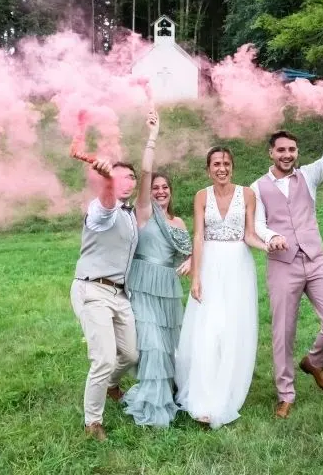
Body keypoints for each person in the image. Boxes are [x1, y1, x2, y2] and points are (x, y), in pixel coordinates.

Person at [251, 100, 323, 418]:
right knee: (283, 331)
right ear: (271, 153)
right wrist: (271, 237)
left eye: (292, 150)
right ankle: (285, 394)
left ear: (296, 152)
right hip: (283, 264)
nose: (287, 155)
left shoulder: (308, 176)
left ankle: (315, 361)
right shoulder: (257, 186)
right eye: (281, 150)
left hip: (316, 259)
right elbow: (256, 224)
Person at [174, 146, 269, 428]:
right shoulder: (201, 196)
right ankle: (203, 399)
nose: (222, 168)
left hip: (239, 267)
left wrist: (267, 247)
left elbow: (249, 235)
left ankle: (226, 392)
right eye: (216, 164)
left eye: (226, 163)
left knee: (231, 329)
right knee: (208, 329)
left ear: (233, 166)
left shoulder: (248, 195)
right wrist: (196, 277)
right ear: (208, 168)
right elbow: (199, 236)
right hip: (211, 264)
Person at [122, 111, 193, 427]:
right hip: (144, 283)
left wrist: (191, 261)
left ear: (171, 191)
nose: (160, 190)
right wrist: (152, 137)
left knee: (166, 346)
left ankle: (169, 390)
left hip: (168, 288)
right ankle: (152, 401)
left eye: (165, 187)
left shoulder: (178, 222)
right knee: (149, 343)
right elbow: (146, 170)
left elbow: (189, 255)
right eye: (156, 187)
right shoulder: (144, 213)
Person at [70, 146, 141, 441]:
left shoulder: (131, 215)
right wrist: (106, 182)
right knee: (104, 358)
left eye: (131, 177)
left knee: (130, 353)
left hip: (119, 294)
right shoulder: (102, 210)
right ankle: (93, 423)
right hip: (93, 289)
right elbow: (105, 209)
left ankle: (111, 385)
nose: (127, 182)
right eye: (119, 177)